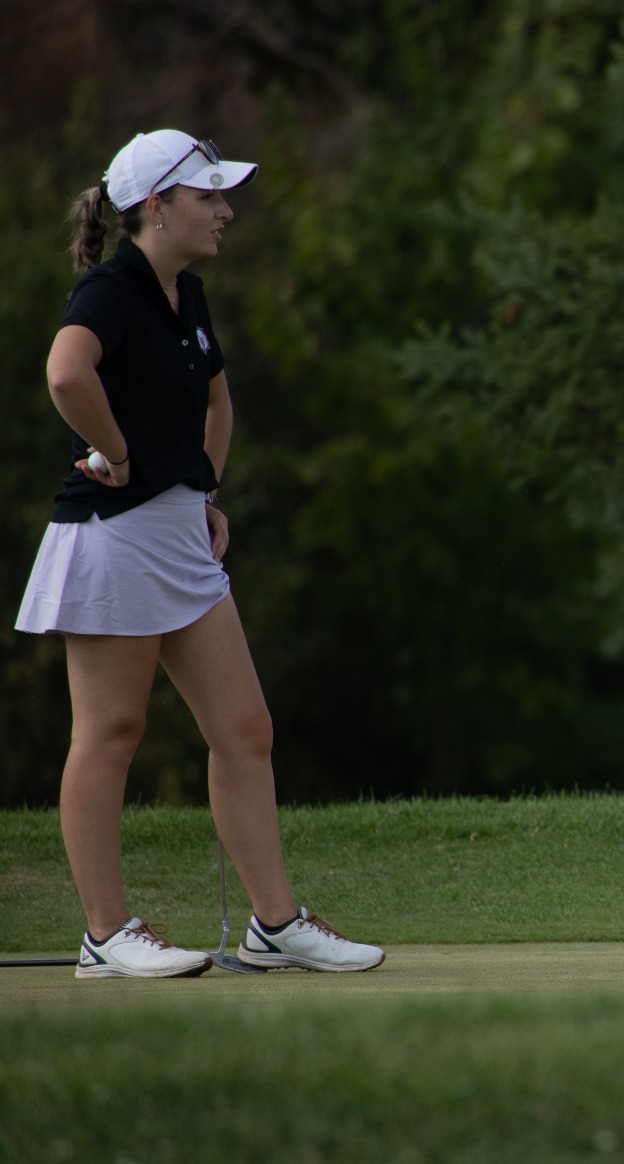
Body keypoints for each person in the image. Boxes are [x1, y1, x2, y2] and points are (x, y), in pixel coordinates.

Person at [15, 129, 383, 978]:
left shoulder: (190, 295)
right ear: (155, 207)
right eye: (208, 196)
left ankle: (276, 923)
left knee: (245, 728)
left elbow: (218, 400)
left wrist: (204, 489)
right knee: (110, 730)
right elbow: (67, 374)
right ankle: (106, 935)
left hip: (178, 534)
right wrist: (114, 453)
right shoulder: (110, 291)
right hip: (112, 537)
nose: (224, 211)